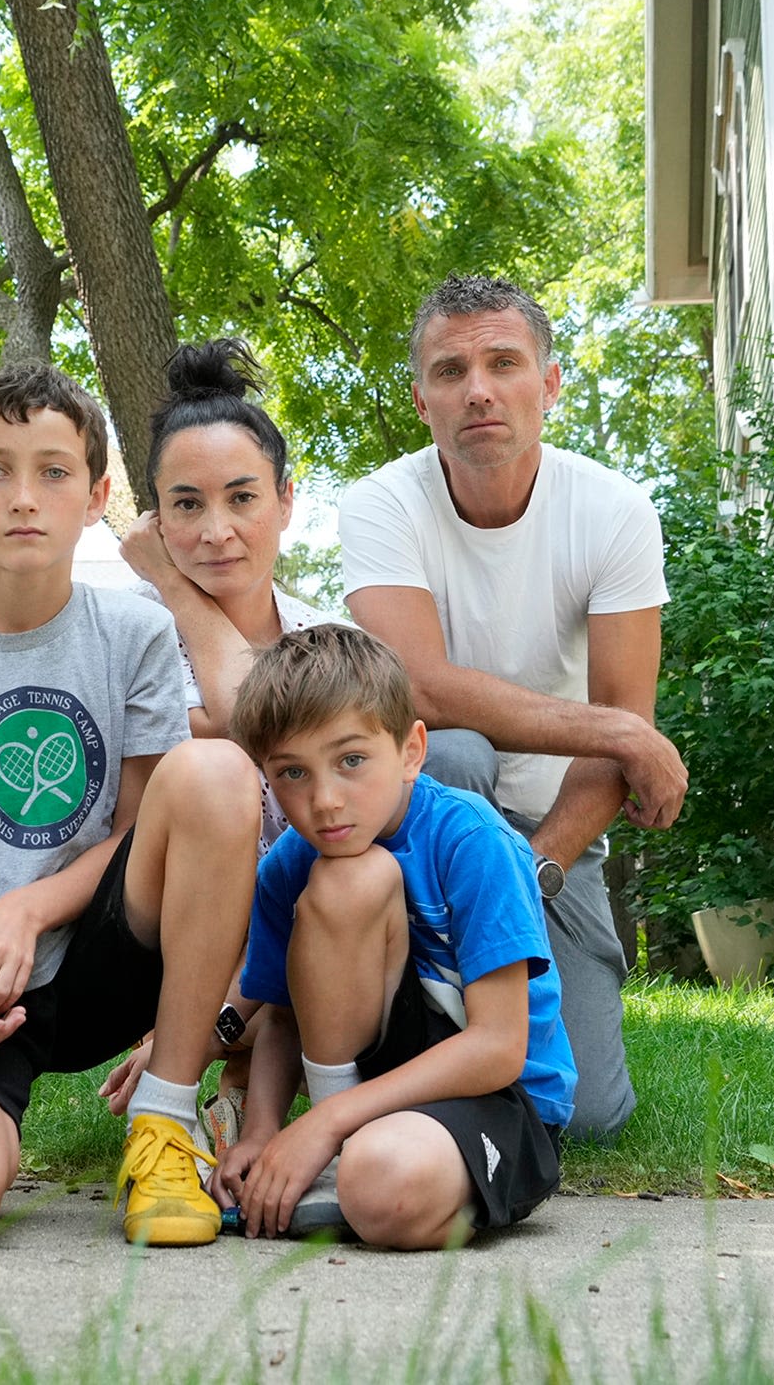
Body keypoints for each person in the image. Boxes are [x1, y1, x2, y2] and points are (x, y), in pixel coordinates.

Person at [0, 362, 262, 1249]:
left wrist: (31, 903)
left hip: (104, 957)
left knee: (214, 771)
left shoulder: (135, 634)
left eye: (54, 471)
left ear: (97, 496)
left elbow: (142, 830)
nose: (25, 496)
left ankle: (166, 1125)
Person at [337, 275, 686, 1143]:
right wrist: (616, 729)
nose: (479, 389)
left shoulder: (613, 511)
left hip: (553, 834)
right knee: (449, 750)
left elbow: (617, 762)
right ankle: (399, 1056)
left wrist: (528, 876)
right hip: (420, 820)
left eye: (503, 362)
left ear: (550, 383)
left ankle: (467, 1047)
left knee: (593, 1118)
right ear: (423, 400)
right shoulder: (382, 505)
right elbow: (413, 687)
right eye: (451, 370)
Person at [216, 624, 576, 1247]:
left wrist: (326, 1121)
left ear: (411, 750)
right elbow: (279, 1017)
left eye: (351, 760)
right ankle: (339, 1160)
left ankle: (360, 1162)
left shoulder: (472, 841)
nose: (325, 800)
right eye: (292, 773)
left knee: (384, 1187)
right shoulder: (288, 865)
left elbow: (498, 1047)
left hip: (496, 1093)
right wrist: (261, 1132)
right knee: (346, 881)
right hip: (372, 1089)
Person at [98, 339, 336, 1145]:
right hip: (153, 930)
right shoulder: (120, 629)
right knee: (221, 776)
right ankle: (208, 1080)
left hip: (302, 940)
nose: (215, 531)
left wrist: (216, 1024)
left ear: (286, 500)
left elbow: (253, 716)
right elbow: (245, 731)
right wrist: (166, 590)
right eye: (187, 505)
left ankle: (235, 1084)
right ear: (154, 517)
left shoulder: (327, 638)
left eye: (242, 498)